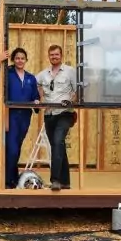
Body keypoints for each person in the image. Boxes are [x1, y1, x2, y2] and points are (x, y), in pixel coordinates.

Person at [0, 47, 40, 189]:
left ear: (26, 60)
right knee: (12, 149)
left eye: (22, 58)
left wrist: (36, 102)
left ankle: (12, 178)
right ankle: (8, 181)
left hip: (24, 117)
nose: (20, 60)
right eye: (17, 58)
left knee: (16, 148)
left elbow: (35, 97)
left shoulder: (30, 78)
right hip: (9, 115)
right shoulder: (7, 73)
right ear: (13, 60)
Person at [36, 44, 76, 191]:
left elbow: (78, 90)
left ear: (61, 55)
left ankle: (56, 180)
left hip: (65, 113)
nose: (54, 57)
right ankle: (66, 182)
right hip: (49, 115)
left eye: (56, 54)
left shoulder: (70, 72)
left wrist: (72, 101)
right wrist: (39, 97)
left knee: (58, 141)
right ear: (49, 56)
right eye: (52, 55)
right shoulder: (42, 75)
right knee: (57, 145)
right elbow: (33, 85)